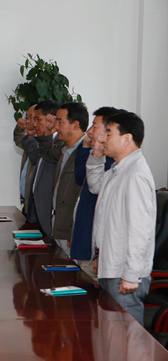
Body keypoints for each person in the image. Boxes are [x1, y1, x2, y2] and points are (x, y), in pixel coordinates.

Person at [87, 111, 155, 326]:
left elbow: (140, 229)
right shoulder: (116, 170)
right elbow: (94, 186)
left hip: (125, 274)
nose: (103, 138)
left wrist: (132, 274)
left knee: (127, 339)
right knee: (111, 336)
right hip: (112, 266)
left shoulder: (135, 174)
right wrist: (99, 255)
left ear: (126, 139)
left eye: (109, 134)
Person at [71, 107, 119, 280]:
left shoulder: (112, 166)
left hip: (94, 251)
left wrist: (99, 253)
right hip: (86, 245)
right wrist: (89, 149)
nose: (89, 131)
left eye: (94, 126)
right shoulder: (99, 160)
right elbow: (83, 178)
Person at [37, 102, 88, 255]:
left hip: (71, 233)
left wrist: (74, 231)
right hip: (59, 227)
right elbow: (46, 152)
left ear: (75, 124)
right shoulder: (64, 150)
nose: (57, 127)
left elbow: (83, 200)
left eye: (60, 122)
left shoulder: (86, 155)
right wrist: (48, 130)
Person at [22, 100, 59, 237]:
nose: (34, 124)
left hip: (48, 215)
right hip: (35, 213)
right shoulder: (43, 142)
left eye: (37, 119)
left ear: (51, 119)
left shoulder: (60, 145)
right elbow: (35, 158)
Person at [13, 104, 37, 214]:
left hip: (36, 205)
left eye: (31, 117)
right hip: (26, 203)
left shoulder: (44, 144)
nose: (27, 121)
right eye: (26, 117)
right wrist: (19, 127)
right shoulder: (29, 141)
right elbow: (18, 140)